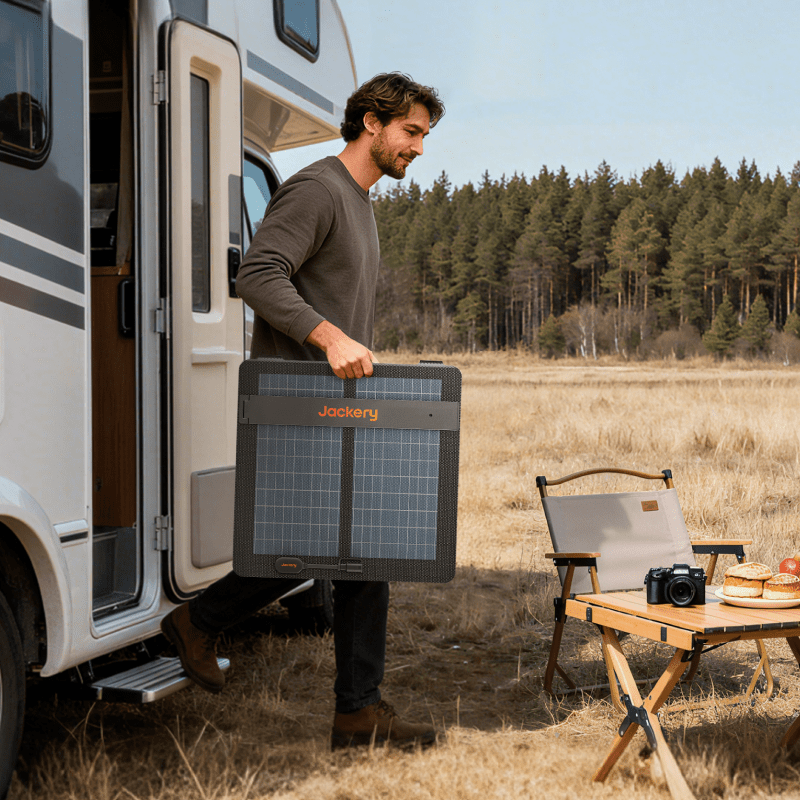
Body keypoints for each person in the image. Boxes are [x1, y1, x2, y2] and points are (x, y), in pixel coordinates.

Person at [162, 72, 445, 751]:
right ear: (371, 123)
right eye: (411, 132)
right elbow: (257, 274)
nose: (419, 148)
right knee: (308, 547)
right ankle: (200, 621)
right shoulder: (319, 189)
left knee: (358, 553)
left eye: (425, 136)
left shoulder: (359, 202)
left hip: (337, 405)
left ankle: (357, 712)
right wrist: (330, 337)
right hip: (301, 402)